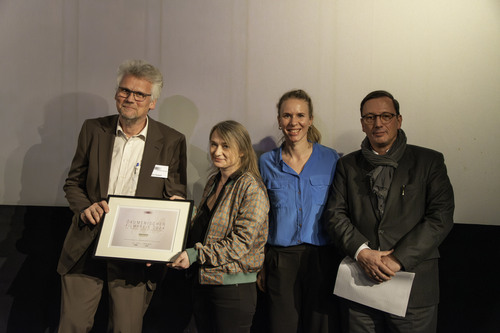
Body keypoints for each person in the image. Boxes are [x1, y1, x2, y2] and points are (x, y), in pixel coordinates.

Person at [57, 59, 187, 333]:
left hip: (135, 251)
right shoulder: (93, 129)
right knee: (73, 326)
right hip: (86, 242)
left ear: (152, 102)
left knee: (126, 328)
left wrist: (162, 242)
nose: (130, 98)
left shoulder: (172, 141)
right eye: (125, 90)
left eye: (139, 94)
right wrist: (84, 208)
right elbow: (73, 183)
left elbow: (174, 197)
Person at [324, 90, 454, 332]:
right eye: (370, 117)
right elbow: (335, 215)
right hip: (359, 284)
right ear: (362, 124)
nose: (378, 123)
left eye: (385, 115)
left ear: (399, 120)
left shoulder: (429, 162)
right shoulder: (347, 165)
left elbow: (440, 218)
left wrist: (396, 259)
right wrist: (362, 252)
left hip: (413, 288)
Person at [169, 120, 269, 333]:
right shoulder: (214, 181)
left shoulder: (252, 188)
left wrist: (194, 256)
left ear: (242, 150)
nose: (217, 151)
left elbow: (240, 243)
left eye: (225, 146)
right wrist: (187, 212)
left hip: (233, 289)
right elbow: (213, 225)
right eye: (213, 144)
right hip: (205, 282)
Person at [258, 89, 340, 333]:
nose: (294, 122)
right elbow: (261, 217)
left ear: (310, 119)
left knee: (319, 327)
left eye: (300, 115)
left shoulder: (331, 158)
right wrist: (260, 263)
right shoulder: (265, 162)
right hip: (280, 260)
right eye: (287, 116)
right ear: (279, 120)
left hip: (321, 258)